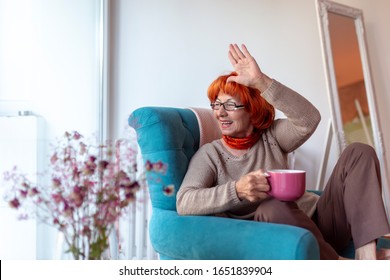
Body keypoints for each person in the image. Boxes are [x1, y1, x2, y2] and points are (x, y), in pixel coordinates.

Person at [176, 43, 390, 260]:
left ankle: (366, 253)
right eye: (215, 104)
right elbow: (184, 201)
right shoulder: (210, 155)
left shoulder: (272, 136)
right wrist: (237, 190)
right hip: (288, 232)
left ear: (252, 110)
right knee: (272, 207)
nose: (220, 113)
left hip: (322, 220)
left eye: (230, 105)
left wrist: (261, 82)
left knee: (359, 151)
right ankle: (337, 263)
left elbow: (309, 119)